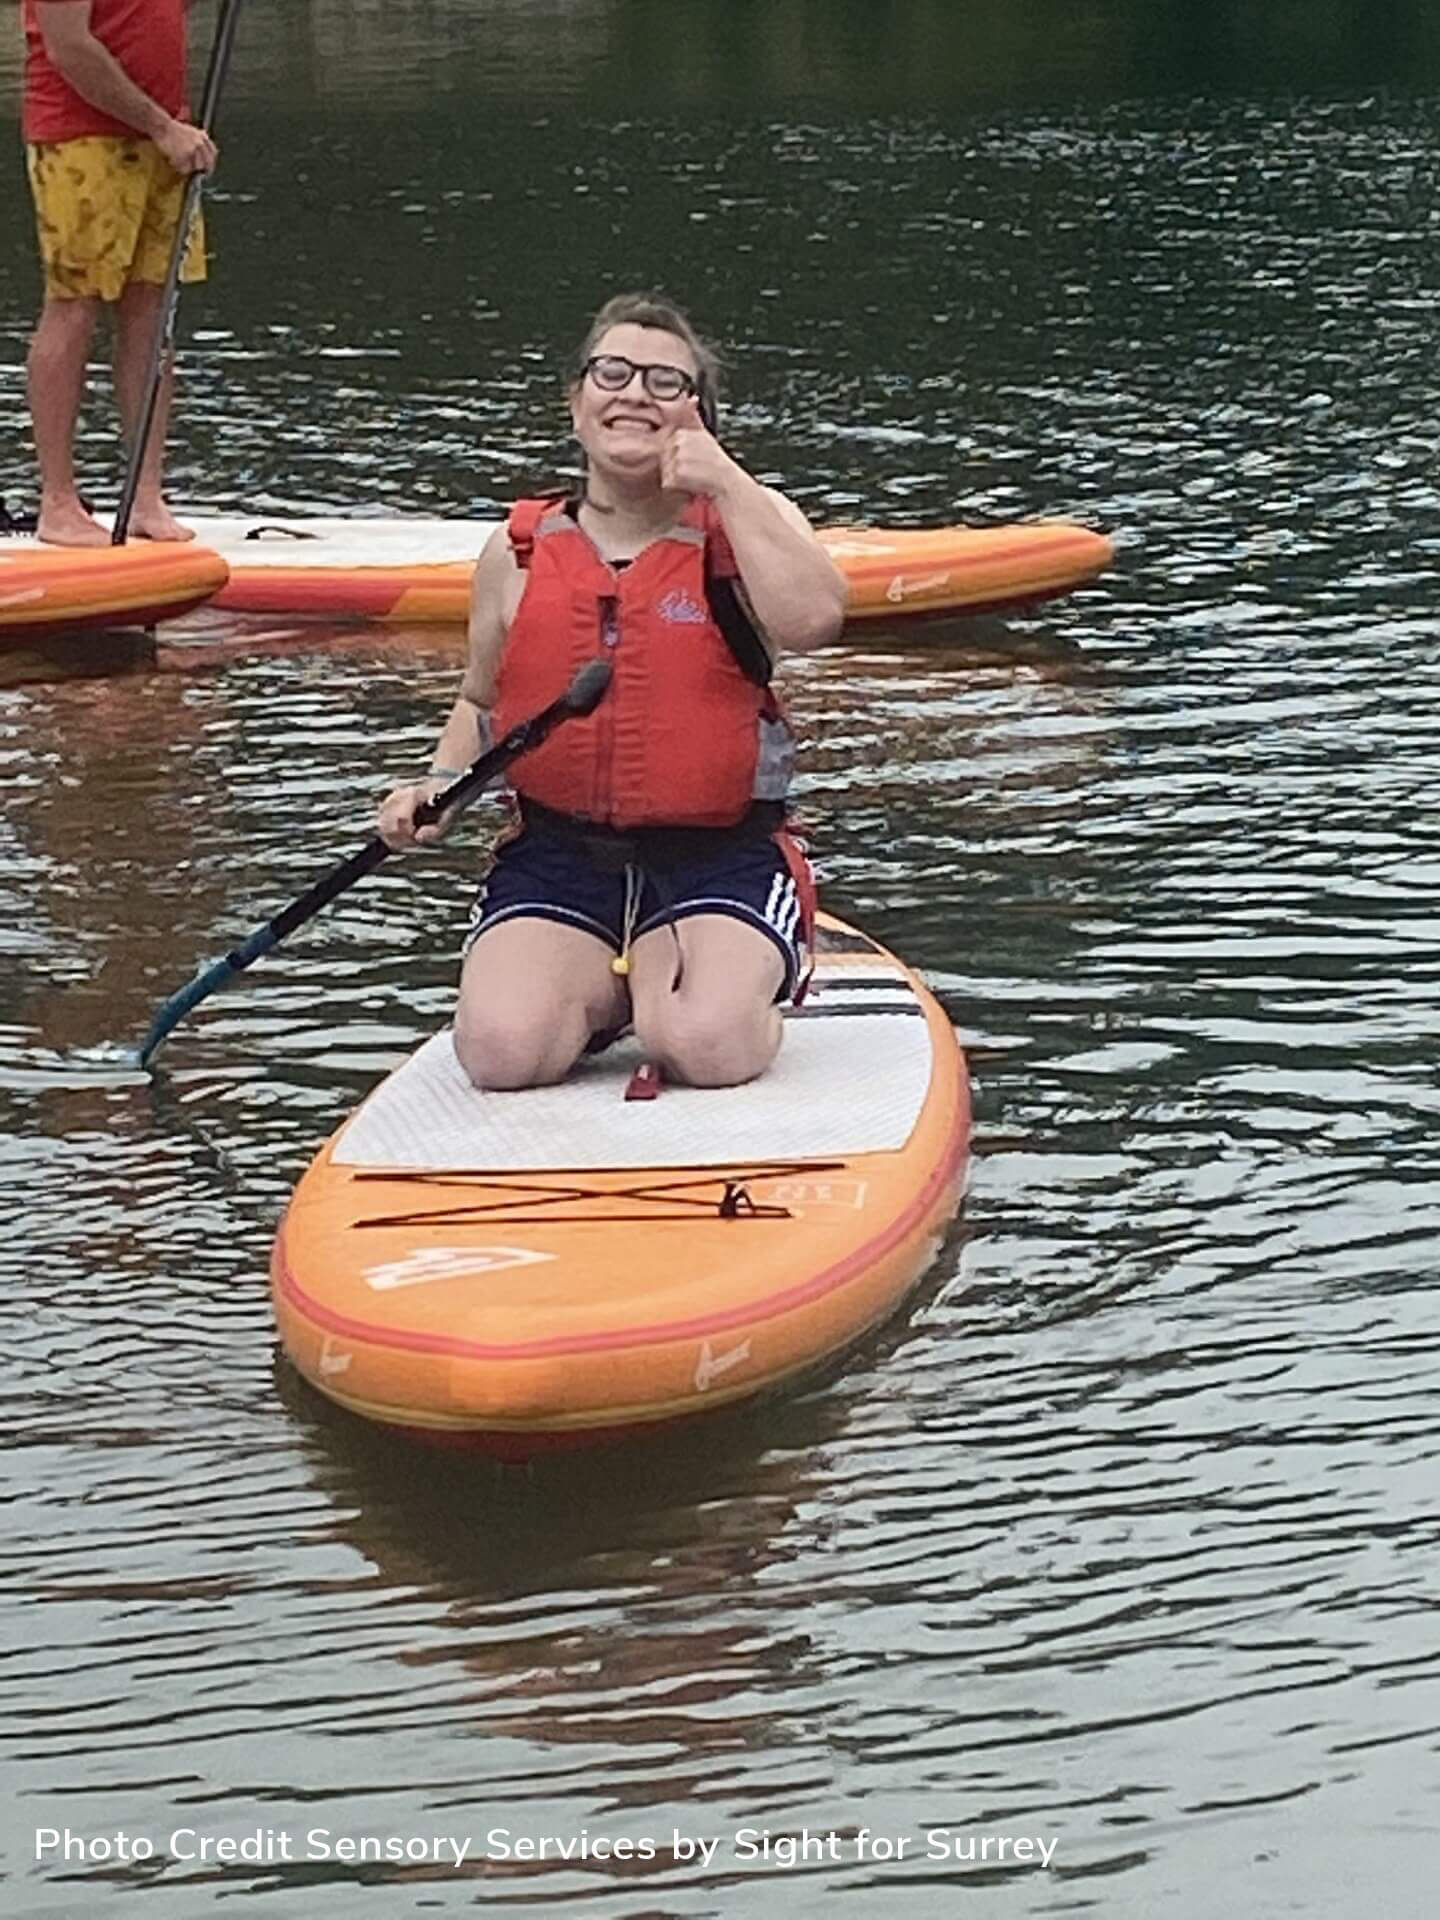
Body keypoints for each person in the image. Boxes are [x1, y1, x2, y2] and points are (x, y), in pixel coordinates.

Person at [378, 292, 849, 1093]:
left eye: (667, 383)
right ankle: (609, 989)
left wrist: (729, 483)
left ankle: (725, 978)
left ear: (699, 414)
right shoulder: (517, 552)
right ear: (576, 401)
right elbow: (479, 699)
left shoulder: (750, 522)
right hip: (559, 856)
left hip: (719, 854)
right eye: (613, 372)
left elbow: (815, 620)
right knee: (501, 1053)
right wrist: (439, 786)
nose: (635, 393)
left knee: (707, 1045)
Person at [21, 0, 217, 547]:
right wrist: (162, 126)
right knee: (74, 303)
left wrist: (168, 131)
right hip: (80, 137)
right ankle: (58, 503)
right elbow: (69, 48)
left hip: (165, 138)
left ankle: (145, 496)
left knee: (152, 310)